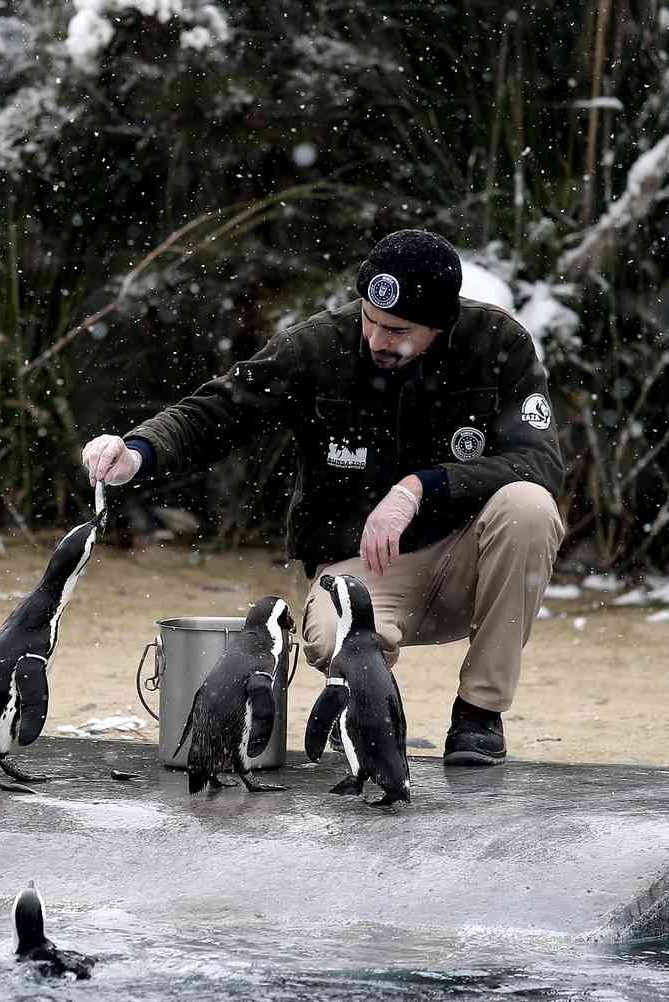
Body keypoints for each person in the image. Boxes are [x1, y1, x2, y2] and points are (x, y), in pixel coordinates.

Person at [82, 229, 565, 765]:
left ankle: (479, 716)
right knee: (339, 637)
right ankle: (365, 713)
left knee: (529, 506)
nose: (379, 340)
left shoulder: (497, 344)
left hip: (467, 563)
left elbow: (540, 462)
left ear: (441, 324)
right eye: (370, 319)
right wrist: (138, 451)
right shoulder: (318, 346)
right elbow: (216, 411)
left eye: (399, 330)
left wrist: (420, 487)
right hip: (362, 570)